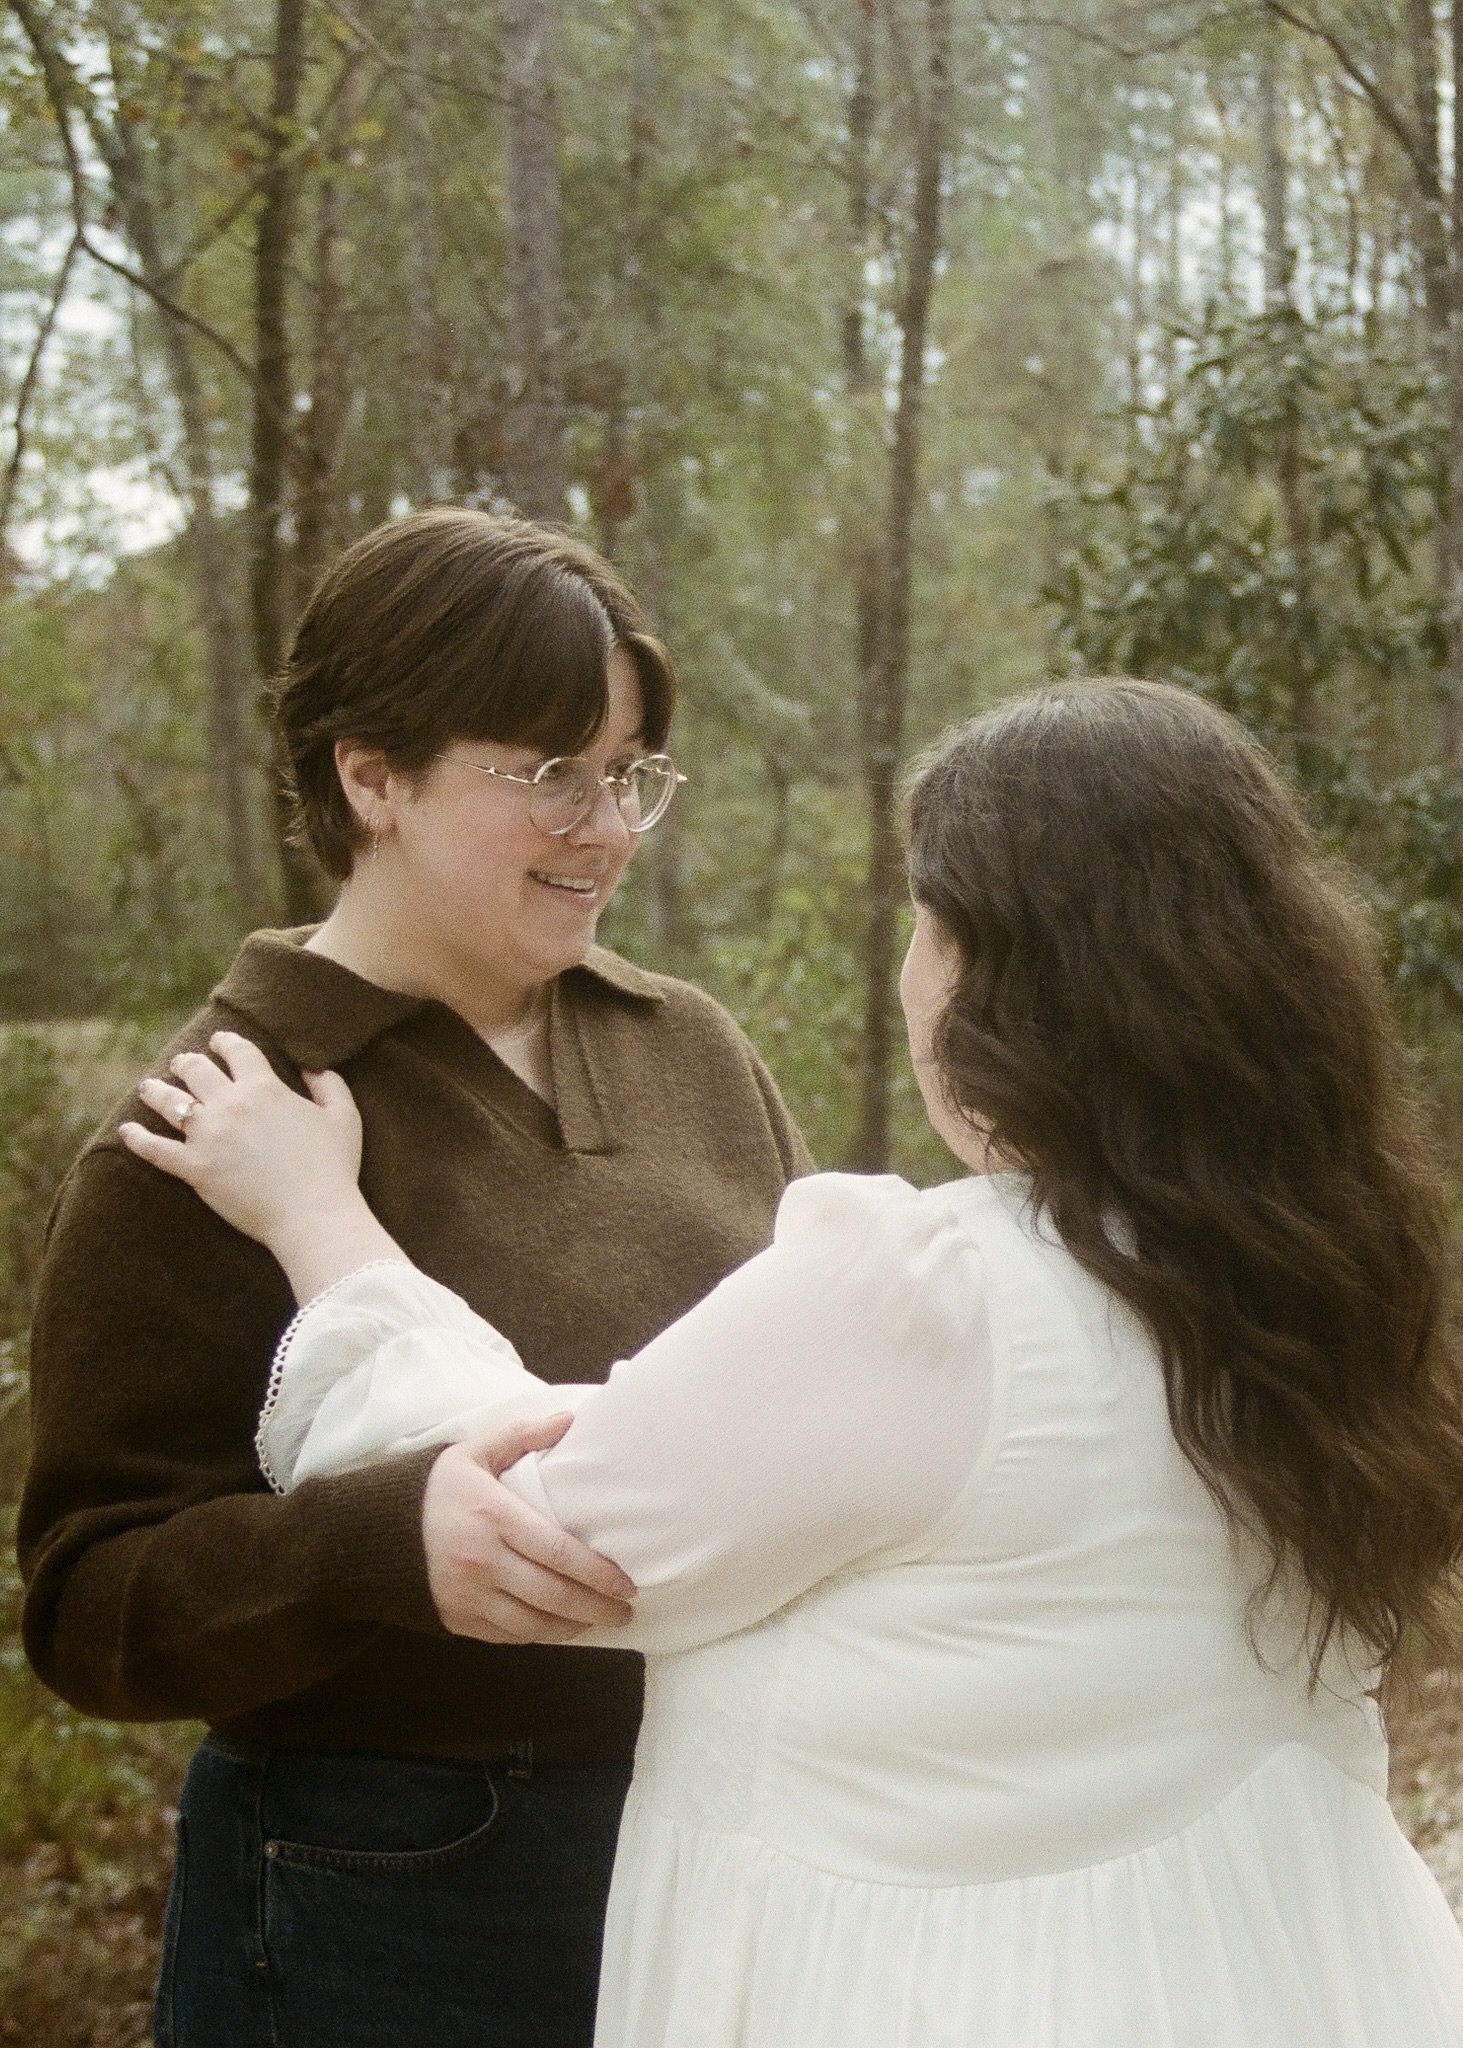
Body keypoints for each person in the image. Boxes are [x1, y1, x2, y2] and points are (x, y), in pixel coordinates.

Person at [122, 677, 1463, 2046]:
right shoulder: (1316, 1283)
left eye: (925, 921)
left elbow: (542, 1518)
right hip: (1292, 1976)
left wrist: (320, 1223)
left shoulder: (925, 1292)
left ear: (1007, 975)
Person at [17, 509, 812, 2048]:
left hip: (723, 1851)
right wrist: (379, 1546)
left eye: (630, 770)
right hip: (390, 1890)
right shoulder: (207, 1128)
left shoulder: (691, 1052)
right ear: (367, 775)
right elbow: (88, 1606)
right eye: (548, 774)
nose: (608, 827)